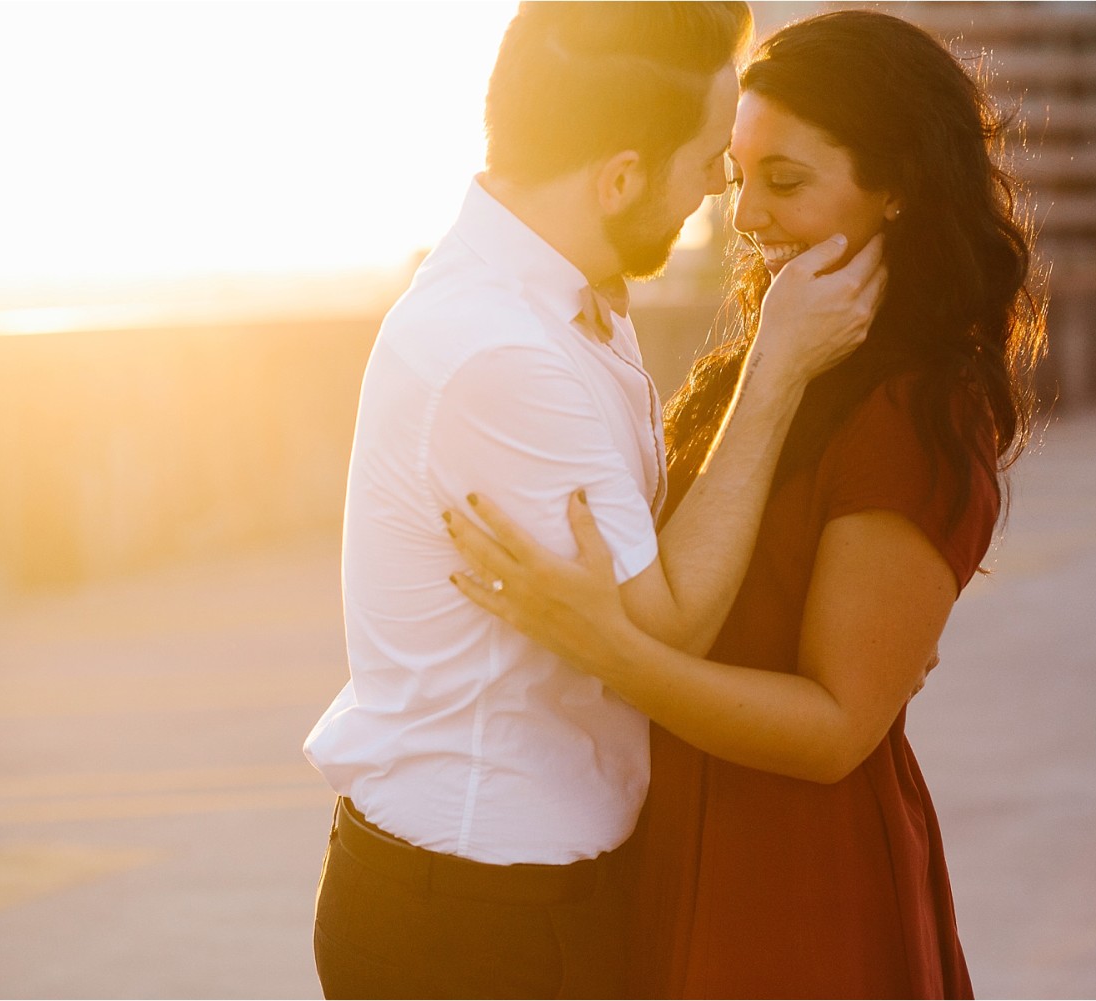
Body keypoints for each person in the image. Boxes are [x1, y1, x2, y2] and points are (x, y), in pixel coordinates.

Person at [447, 9, 1048, 998]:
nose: (747, 214)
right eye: (739, 175)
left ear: (894, 187)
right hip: (665, 842)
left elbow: (832, 727)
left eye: (789, 181)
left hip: (795, 882)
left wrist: (611, 650)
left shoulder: (918, 407)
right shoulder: (772, 363)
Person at [302, 4, 889, 998]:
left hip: (507, 898)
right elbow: (672, 622)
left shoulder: (556, 293)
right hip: (479, 922)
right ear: (620, 176)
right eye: (709, 157)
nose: (724, 185)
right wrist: (779, 364)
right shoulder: (503, 349)